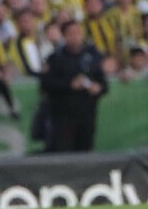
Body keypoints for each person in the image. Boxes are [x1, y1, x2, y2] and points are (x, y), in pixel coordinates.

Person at [41, 20, 108, 152]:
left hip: (87, 115)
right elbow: (47, 85)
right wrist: (70, 85)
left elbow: (103, 84)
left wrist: (97, 88)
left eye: (78, 32)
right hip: (63, 116)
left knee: (85, 150)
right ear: (64, 36)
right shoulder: (56, 58)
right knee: (64, 153)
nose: (75, 36)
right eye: (71, 33)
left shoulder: (92, 56)